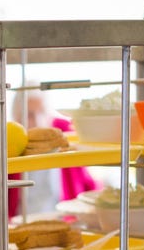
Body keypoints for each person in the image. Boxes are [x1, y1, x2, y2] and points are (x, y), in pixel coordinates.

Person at [8, 86, 97, 220]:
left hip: (64, 219)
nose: (38, 121)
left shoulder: (63, 134)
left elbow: (86, 182)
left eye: (42, 112)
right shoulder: (11, 145)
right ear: (17, 117)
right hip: (22, 222)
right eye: (30, 115)